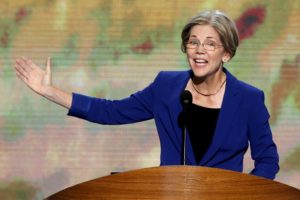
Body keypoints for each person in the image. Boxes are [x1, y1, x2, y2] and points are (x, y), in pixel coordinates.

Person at [14, 10, 279, 180]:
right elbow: (111, 111)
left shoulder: (248, 99)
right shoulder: (166, 87)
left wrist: (244, 196)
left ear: (227, 53)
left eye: (210, 44)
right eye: (193, 41)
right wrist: (50, 92)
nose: (199, 50)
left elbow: (267, 160)